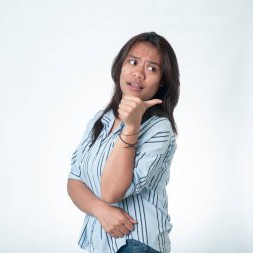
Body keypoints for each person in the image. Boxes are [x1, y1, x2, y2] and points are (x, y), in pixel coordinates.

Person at [67, 32, 180, 253]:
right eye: (133, 61)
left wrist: (131, 126)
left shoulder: (159, 127)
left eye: (152, 68)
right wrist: (100, 210)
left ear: (162, 80)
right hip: (99, 242)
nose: (138, 73)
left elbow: (111, 192)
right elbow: (74, 181)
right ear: (120, 66)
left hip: (136, 242)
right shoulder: (100, 120)